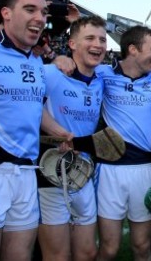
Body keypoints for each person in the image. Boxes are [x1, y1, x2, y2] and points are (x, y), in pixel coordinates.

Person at [0, 0, 71, 261]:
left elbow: (35, 111)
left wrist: (63, 133)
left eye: (43, 12)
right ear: (6, 13)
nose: (40, 18)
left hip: (27, 173)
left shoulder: (37, 62)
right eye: (29, 9)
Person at [94, 25, 151, 261]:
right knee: (109, 248)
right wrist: (60, 62)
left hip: (144, 170)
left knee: (141, 246)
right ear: (133, 50)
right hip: (109, 171)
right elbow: (74, 72)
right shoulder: (102, 74)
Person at [37, 15, 108, 261]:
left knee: (87, 253)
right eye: (89, 38)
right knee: (57, 255)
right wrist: (58, 132)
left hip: (83, 171)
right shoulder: (50, 73)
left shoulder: (103, 78)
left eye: (102, 39)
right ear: (72, 44)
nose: (97, 45)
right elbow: (29, 106)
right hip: (51, 173)